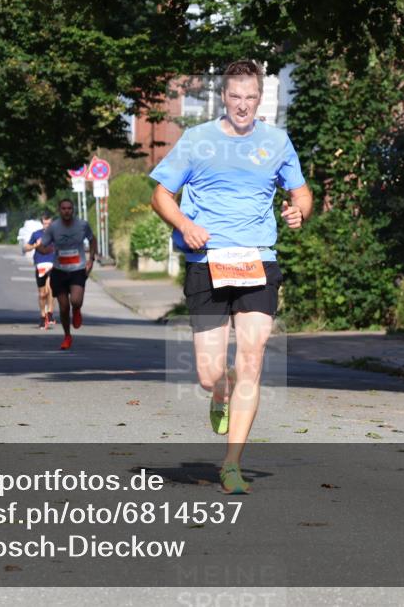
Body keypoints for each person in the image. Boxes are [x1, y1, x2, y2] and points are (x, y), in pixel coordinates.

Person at [149, 59, 313, 494]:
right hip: (207, 262)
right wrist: (183, 225)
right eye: (236, 97)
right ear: (224, 96)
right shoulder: (197, 140)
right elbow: (161, 194)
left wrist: (300, 211)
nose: (243, 106)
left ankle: (232, 463)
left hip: (259, 261)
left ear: (261, 99)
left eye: (251, 98)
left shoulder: (277, 141)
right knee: (207, 373)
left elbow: (301, 192)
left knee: (253, 358)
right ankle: (219, 393)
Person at [37, 198, 96, 350]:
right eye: (63, 208)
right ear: (59, 210)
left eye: (69, 208)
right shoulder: (53, 227)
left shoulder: (82, 225)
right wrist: (44, 250)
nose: (66, 211)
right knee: (63, 307)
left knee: (75, 301)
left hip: (77, 269)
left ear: (73, 210)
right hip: (59, 270)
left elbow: (92, 239)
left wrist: (91, 259)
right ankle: (67, 336)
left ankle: (77, 310)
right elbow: (42, 246)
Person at [22, 212, 55, 329]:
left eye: (49, 223)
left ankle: (50, 313)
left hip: (52, 264)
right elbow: (25, 248)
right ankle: (42, 317)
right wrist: (35, 245)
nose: (47, 225)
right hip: (40, 264)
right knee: (42, 294)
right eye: (45, 223)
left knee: (51, 288)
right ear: (42, 223)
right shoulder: (36, 234)